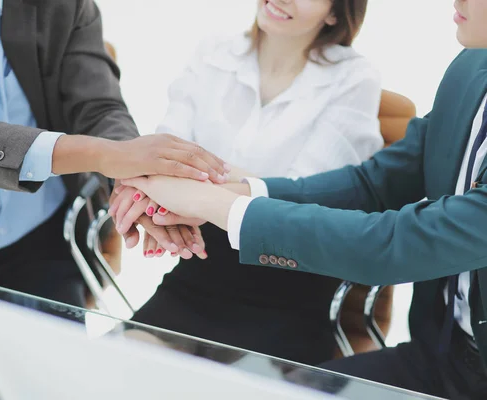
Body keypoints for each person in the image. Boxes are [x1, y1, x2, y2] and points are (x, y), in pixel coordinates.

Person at [119, 0, 487, 397]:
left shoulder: (353, 75)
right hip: (439, 356)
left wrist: (209, 201)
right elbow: (372, 184)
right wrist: (231, 191)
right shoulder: (470, 68)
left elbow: (396, 243)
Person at [0, 0, 230, 307]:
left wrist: (138, 184)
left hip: (48, 241)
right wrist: (106, 156)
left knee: (61, 370)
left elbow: (99, 107)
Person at [110, 0, 382, 364]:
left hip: (287, 281)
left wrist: (186, 181)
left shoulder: (355, 77)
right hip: (202, 269)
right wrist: (166, 181)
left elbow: (303, 195)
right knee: (114, 365)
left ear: (335, 13)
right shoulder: (215, 52)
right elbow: (161, 154)